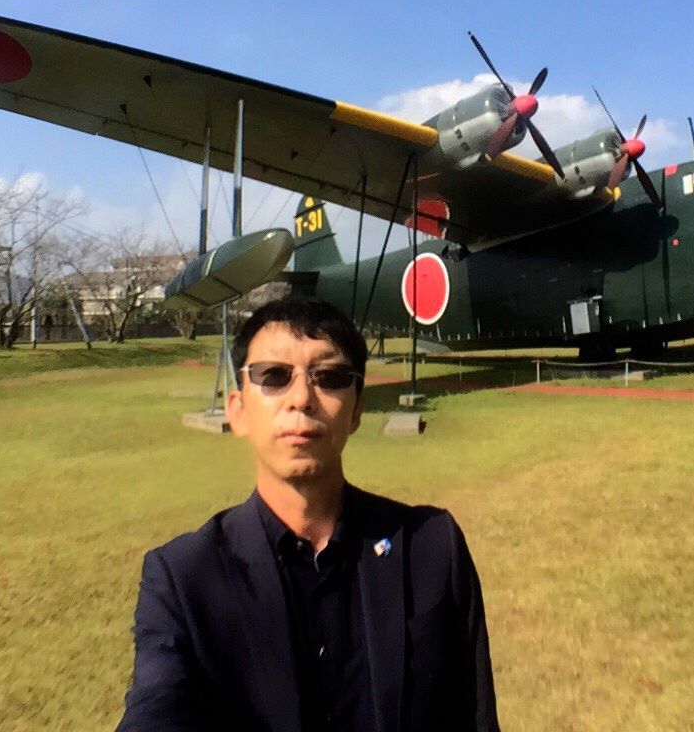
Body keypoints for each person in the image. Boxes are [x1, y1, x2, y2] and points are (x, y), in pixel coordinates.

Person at [117, 298, 500, 732]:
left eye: (330, 377)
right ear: (237, 410)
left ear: (356, 409)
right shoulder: (184, 578)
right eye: (274, 376)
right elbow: (157, 706)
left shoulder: (432, 547)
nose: (301, 398)